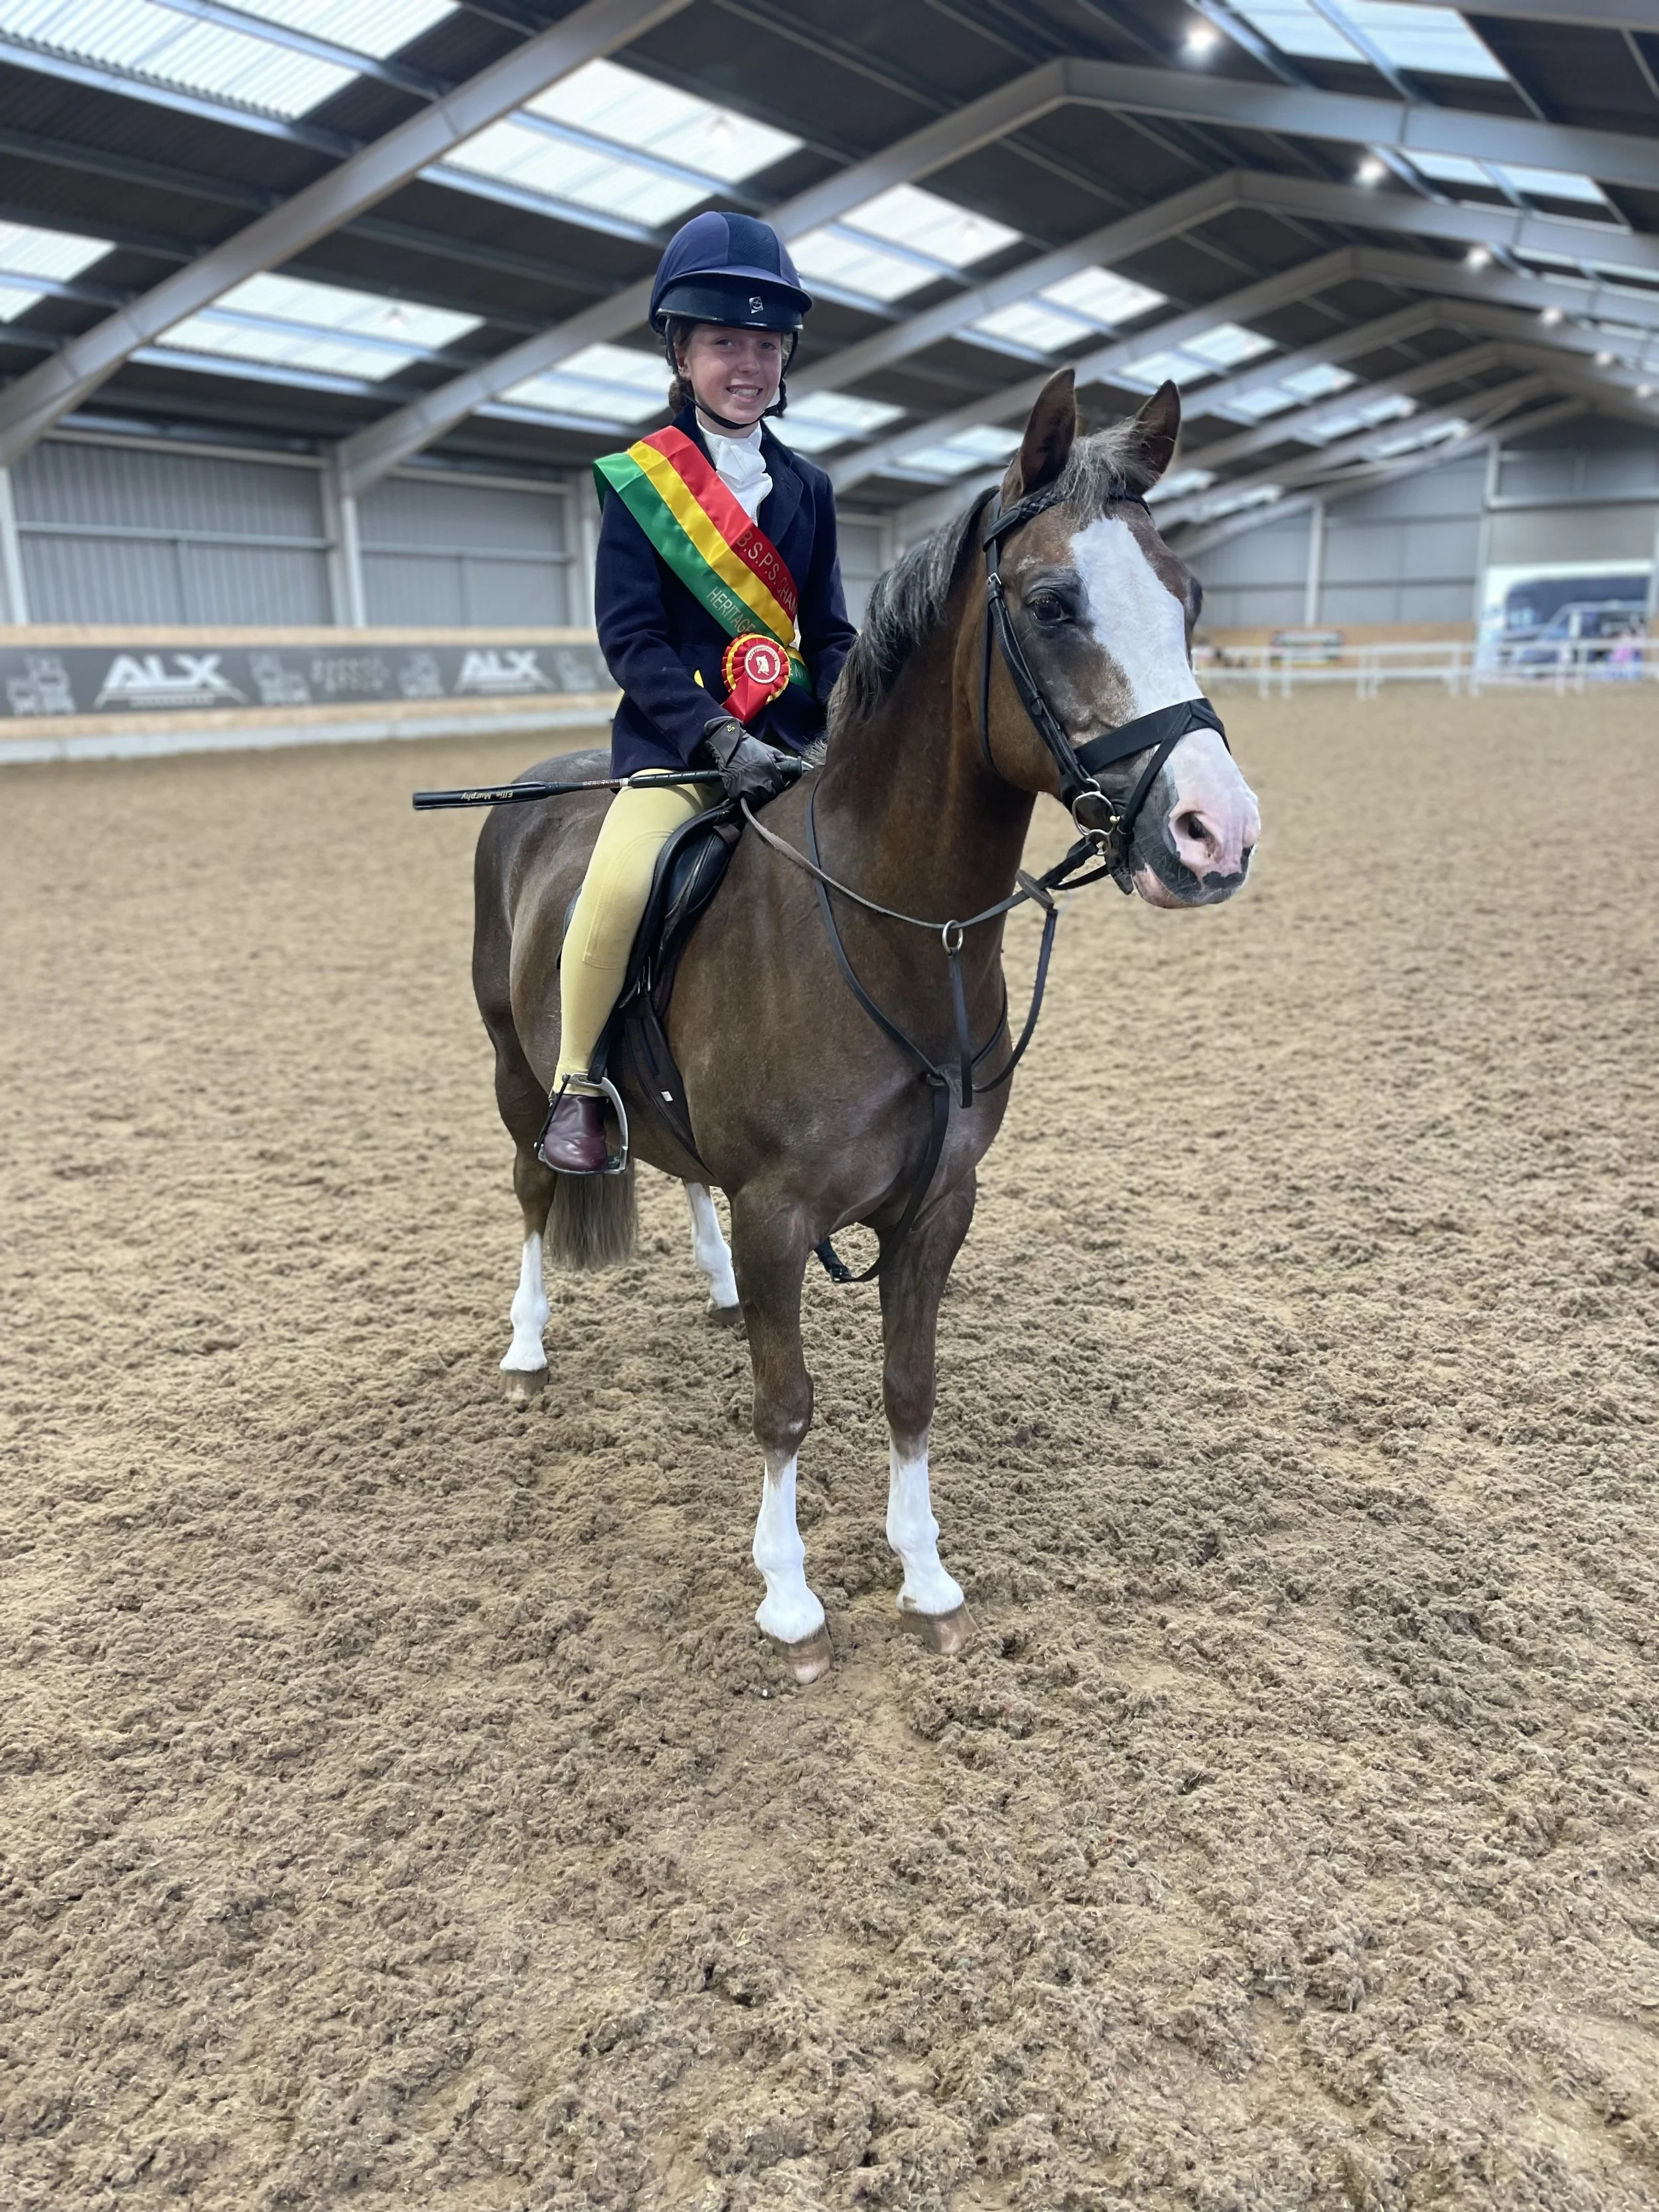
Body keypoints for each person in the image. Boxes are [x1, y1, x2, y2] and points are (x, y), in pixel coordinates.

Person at [536, 209, 858, 1175]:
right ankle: (580, 1084)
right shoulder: (642, 484)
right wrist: (714, 737)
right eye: (725, 343)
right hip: (680, 749)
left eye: (766, 344)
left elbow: (831, 633)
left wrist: (844, 721)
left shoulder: (811, 488)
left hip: (797, 747)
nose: (748, 364)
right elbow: (629, 641)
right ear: (681, 353)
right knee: (619, 882)